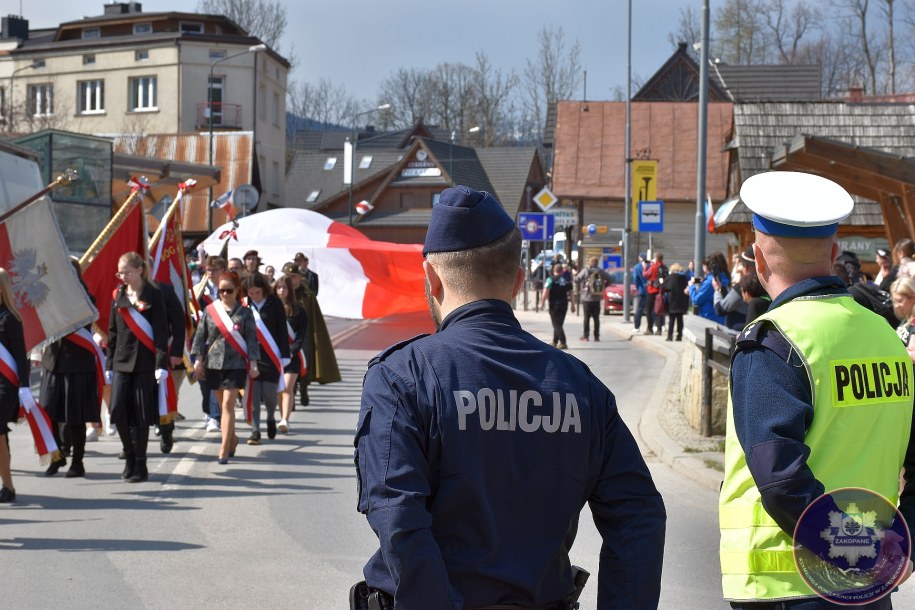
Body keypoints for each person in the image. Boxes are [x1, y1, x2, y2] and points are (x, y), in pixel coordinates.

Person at [354, 185, 665, 609]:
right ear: (518, 281)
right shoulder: (580, 385)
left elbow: (397, 515)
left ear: (431, 277)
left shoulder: (402, 375)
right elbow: (638, 516)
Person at [718, 171, 915, 608]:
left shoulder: (772, 340)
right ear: (833, 253)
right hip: (870, 587)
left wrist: (858, 553)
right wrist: (903, 548)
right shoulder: (886, 337)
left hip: (789, 589)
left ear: (758, 259)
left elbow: (782, 480)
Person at [107, 252, 169, 484]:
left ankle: (141, 463)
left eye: (127, 272)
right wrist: (109, 363)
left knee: (141, 415)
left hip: (144, 362)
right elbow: (113, 331)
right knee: (117, 410)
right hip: (122, 361)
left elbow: (161, 331)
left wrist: (160, 363)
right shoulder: (119, 295)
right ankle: (129, 454)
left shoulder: (153, 294)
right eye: (120, 273)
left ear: (139, 270)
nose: (123, 277)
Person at [41, 259, 101, 478]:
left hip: (77, 364)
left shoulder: (85, 298)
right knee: (48, 412)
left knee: (75, 416)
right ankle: (57, 455)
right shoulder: (50, 296)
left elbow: (83, 319)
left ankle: (78, 462)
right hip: (53, 362)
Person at [191, 271, 259, 463]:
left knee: (229, 404)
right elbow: (200, 336)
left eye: (229, 290)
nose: (225, 294)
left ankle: (223, 448)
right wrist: (198, 360)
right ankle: (232, 438)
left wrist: (254, 363)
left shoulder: (245, 313)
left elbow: (252, 340)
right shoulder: (210, 311)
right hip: (213, 364)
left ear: (237, 290)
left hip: (236, 365)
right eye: (222, 291)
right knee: (222, 408)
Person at [242, 272, 289, 444]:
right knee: (254, 395)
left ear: (264, 290)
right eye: (251, 292)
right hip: (251, 356)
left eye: (258, 292)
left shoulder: (274, 303)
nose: (254, 295)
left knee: (269, 394)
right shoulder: (244, 304)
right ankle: (255, 430)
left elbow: (282, 329)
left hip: (271, 356)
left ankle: (270, 416)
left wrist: (285, 354)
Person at [0, 268, 30, 502]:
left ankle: (8, 486)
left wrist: (24, 386)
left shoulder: (10, 318)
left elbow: (21, 356)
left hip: (4, 385)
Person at [193, 255, 225, 433]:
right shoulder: (198, 289)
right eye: (208, 269)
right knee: (203, 381)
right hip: (202, 339)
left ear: (222, 270)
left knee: (215, 379)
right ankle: (209, 411)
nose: (211, 273)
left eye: (215, 269)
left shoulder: (227, 289)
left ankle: (215, 416)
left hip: (222, 340)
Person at [276, 275, 307, 433]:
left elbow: (301, 335)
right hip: (275, 355)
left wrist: (292, 351)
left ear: (290, 290)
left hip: (292, 356)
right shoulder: (271, 310)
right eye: (279, 287)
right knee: (279, 390)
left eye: (285, 287)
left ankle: (285, 419)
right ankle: (283, 416)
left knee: (288, 387)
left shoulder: (299, 311)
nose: (282, 290)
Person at [576, 256, 611, 342]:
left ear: (589, 262)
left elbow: (577, 279)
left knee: (586, 318)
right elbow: (611, 279)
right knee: (596, 318)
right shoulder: (600, 271)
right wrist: (603, 286)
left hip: (586, 298)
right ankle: (596, 336)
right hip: (597, 298)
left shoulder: (585, 271)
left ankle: (586, 336)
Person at [540, 261, 573, 349]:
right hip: (564, 304)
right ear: (562, 271)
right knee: (559, 323)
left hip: (554, 304)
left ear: (554, 270)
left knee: (556, 324)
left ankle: (563, 342)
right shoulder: (567, 280)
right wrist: (573, 305)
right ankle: (555, 341)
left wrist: (542, 303)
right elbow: (571, 293)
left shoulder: (550, 279)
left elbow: (545, 292)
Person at [688, 253, 729, 324]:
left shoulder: (709, 282)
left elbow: (697, 300)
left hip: (709, 317)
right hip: (720, 318)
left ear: (707, 266)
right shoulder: (723, 278)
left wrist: (691, 286)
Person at [643, 252, 668, 335]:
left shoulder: (653, 267)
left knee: (649, 310)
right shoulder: (664, 267)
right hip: (660, 291)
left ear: (656, 258)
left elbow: (645, 275)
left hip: (652, 290)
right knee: (659, 310)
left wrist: (645, 267)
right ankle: (659, 329)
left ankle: (650, 329)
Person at [664, 262, 689, 341]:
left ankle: (670, 336)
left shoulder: (669, 278)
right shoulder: (684, 278)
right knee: (680, 319)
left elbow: (665, 287)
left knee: (671, 319)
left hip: (672, 301)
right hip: (681, 301)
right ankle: (679, 336)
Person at [631, 253, 648, 333]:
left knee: (639, 309)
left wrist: (638, 288)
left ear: (639, 258)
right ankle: (653, 326)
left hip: (641, 290)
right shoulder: (649, 266)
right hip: (650, 290)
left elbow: (635, 279)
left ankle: (637, 327)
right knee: (651, 309)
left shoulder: (637, 267)